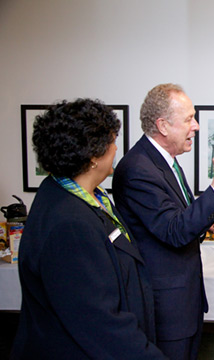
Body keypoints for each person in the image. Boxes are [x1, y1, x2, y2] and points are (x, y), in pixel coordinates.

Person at [11, 99, 165, 359]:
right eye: (113, 141)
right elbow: (99, 322)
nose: (117, 148)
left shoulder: (83, 195)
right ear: (94, 155)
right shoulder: (70, 224)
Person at [113, 83, 214, 360]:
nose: (196, 126)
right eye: (189, 119)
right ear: (163, 126)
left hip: (183, 301)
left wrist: (204, 221)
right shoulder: (138, 169)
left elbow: (176, 217)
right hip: (165, 307)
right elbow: (174, 231)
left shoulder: (164, 160)